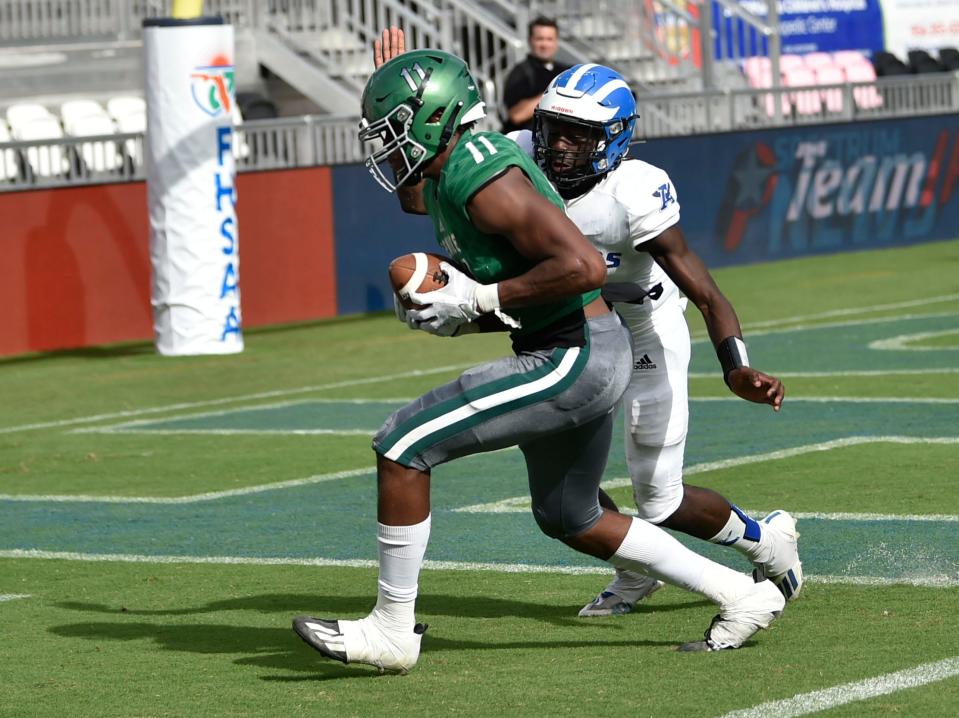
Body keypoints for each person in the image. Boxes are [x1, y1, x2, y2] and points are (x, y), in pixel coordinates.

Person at [292, 33, 785, 674]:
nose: (386, 145)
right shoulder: (453, 165)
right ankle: (742, 594)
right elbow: (418, 196)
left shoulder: (486, 175)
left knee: (403, 445)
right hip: (575, 342)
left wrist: (475, 300)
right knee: (569, 515)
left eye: (395, 130)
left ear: (434, 121)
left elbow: (581, 266)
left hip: (577, 350)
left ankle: (392, 629)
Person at [512, 63, 802, 617]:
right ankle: (636, 569)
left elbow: (708, 293)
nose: (562, 146)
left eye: (581, 134)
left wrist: (735, 365)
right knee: (561, 474)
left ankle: (765, 540)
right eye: (555, 129)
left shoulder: (633, 191)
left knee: (660, 500)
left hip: (643, 332)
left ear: (615, 138)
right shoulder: (517, 156)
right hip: (570, 334)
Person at [500, 16, 570, 134]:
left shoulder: (566, 72)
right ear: (530, 40)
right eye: (539, 39)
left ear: (556, 42)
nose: (544, 44)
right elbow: (516, 115)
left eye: (549, 39)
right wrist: (554, 93)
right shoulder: (520, 72)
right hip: (526, 144)